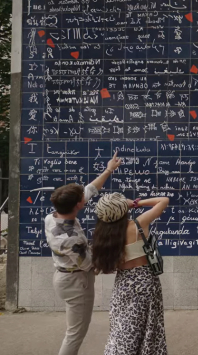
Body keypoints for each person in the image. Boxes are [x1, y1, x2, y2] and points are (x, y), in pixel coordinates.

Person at [45, 151, 122, 355]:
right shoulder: (70, 239)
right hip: (76, 282)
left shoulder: (52, 216)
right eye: (82, 199)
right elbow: (90, 265)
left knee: (74, 331)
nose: (85, 198)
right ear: (78, 205)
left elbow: (90, 189)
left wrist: (108, 170)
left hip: (65, 276)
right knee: (76, 333)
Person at [92, 192, 170, 355]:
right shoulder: (138, 225)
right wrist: (135, 203)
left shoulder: (103, 236)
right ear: (123, 209)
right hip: (146, 282)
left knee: (122, 328)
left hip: (123, 284)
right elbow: (163, 200)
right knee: (149, 328)